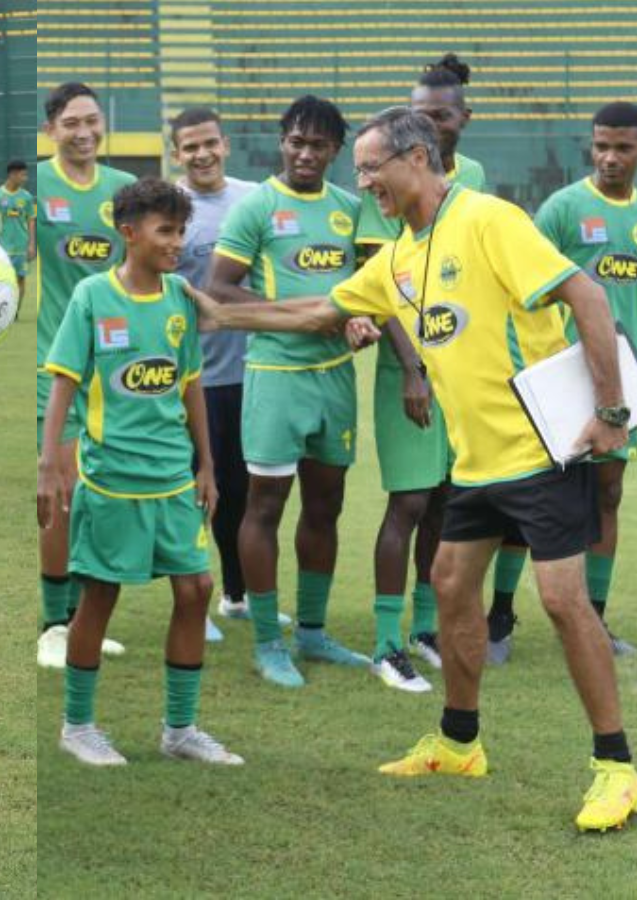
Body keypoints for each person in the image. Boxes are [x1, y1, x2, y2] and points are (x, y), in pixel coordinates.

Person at [194, 106, 637, 833]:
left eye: (373, 167)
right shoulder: (398, 256)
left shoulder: (489, 220)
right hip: (475, 466)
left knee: (563, 604)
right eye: (359, 170)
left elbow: (585, 295)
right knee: (451, 588)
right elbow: (317, 311)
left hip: (543, 454)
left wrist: (613, 413)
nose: (363, 181)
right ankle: (460, 742)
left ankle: (617, 767)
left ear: (419, 159)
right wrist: (221, 315)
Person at [38, 177, 240, 767]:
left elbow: (191, 385)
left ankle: (179, 730)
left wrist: (207, 463)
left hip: (174, 478)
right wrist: (51, 461)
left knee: (197, 588)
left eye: (181, 230)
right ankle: (77, 726)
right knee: (98, 598)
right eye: (165, 230)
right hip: (111, 480)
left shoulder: (180, 299)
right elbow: (63, 384)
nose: (177, 242)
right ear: (129, 233)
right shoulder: (93, 298)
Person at [207, 96, 369, 688]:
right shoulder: (257, 208)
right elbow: (220, 290)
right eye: (297, 141)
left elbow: (366, 287)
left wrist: (355, 319)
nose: (305, 153)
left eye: (318, 145)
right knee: (265, 506)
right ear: (282, 141)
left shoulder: (351, 211)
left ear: (335, 151)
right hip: (274, 376)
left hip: (334, 378)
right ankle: (269, 644)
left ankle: (313, 632)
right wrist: (299, 317)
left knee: (326, 504)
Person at [484, 102, 637, 664]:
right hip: (563, 382)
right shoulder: (563, 208)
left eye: (622, 147)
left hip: (624, 386)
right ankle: (499, 614)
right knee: (533, 501)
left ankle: (594, 618)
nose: (610, 158)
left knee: (608, 495)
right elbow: (519, 289)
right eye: (601, 146)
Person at [354, 53, 487, 691]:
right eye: (418, 116)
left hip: (461, 368)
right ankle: (385, 643)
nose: (428, 125)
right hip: (408, 372)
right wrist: (413, 370)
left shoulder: (477, 178)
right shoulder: (386, 185)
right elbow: (381, 289)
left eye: (438, 115)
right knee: (407, 499)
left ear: (462, 116)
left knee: (444, 499)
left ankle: (427, 625)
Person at [168, 106, 284, 643]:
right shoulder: (169, 208)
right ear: (177, 154)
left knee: (245, 492)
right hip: (195, 378)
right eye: (190, 147)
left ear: (226, 144)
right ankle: (193, 599)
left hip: (255, 370)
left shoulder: (254, 198)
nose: (202, 154)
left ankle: (237, 596)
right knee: (198, 490)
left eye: (209, 142)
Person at [35, 82, 134, 669]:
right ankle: (52, 624)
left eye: (92, 121)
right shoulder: (37, 187)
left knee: (96, 496)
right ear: (52, 130)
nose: (83, 132)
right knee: (65, 491)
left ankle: (78, 621)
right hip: (56, 364)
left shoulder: (122, 191)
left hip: (115, 370)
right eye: (72, 122)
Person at [0, 160, 36, 304]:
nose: (25, 178)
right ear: (12, 174)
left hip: (21, 247)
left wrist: (31, 244)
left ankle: (15, 312)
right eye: (23, 175)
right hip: (2, 247)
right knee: (1, 280)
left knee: (21, 278)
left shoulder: (26, 197)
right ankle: (3, 309)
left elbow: (31, 220)